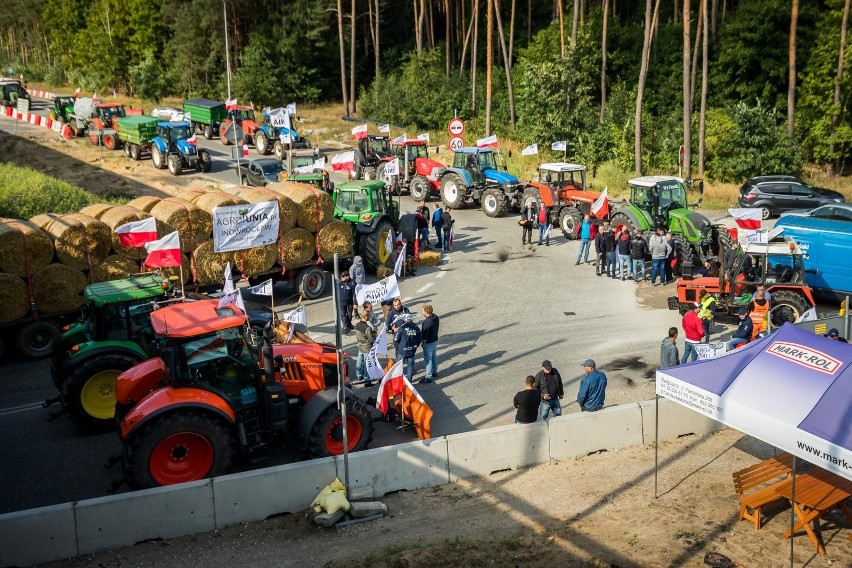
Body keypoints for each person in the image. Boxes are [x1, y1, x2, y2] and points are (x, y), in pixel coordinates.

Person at [394, 314, 422, 383]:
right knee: (410, 367)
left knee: (398, 367)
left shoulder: (402, 328)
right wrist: (416, 345)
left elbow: (396, 339)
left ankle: (398, 381)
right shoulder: (416, 327)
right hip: (412, 350)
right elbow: (419, 339)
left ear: (404, 320)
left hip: (402, 350)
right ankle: (409, 382)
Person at [354, 311, 377, 386]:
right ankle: (367, 381)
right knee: (367, 364)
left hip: (360, 346)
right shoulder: (367, 328)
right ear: (366, 317)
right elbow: (370, 340)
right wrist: (374, 334)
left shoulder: (357, 325)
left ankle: (358, 375)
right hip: (367, 347)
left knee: (359, 361)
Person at [420, 304, 440, 383]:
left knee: (428, 360)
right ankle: (434, 372)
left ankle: (428, 377)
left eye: (422, 311)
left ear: (426, 311)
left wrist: (422, 343)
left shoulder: (427, 322)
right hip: (435, 340)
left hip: (429, 343)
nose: (422, 313)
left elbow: (424, 336)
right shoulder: (435, 317)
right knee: (434, 357)